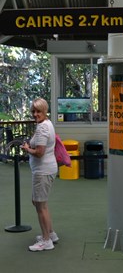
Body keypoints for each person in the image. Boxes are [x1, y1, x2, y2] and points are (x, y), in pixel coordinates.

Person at [21, 98, 59, 251]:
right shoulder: (47, 124)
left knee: (40, 205)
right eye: (33, 111)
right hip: (45, 170)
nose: (35, 114)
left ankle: (46, 240)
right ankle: (50, 233)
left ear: (45, 111)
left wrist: (27, 149)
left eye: (38, 111)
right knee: (38, 202)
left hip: (43, 171)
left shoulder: (42, 128)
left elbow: (40, 153)